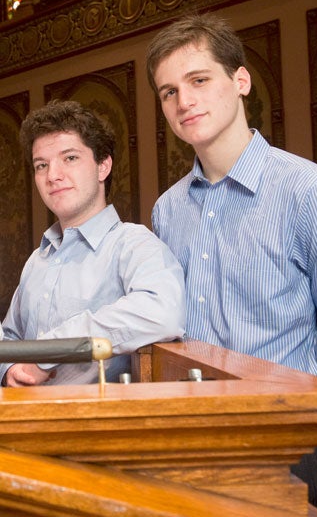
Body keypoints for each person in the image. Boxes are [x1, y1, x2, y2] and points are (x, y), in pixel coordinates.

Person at [146, 13, 317, 514]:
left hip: (283, 448)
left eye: (199, 80)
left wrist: (305, 425)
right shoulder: (167, 211)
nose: (184, 101)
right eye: (168, 92)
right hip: (190, 439)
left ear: (241, 81)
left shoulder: (314, 194)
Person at [0, 100, 185, 387]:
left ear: (103, 166)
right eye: (41, 165)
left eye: (70, 158)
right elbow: (10, 337)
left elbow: (163, 313)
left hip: (96, 425)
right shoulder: (38, 259)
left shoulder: (133, 244)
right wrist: (10, 368)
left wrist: (51, 350)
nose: (53, 175)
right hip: (26, 425)